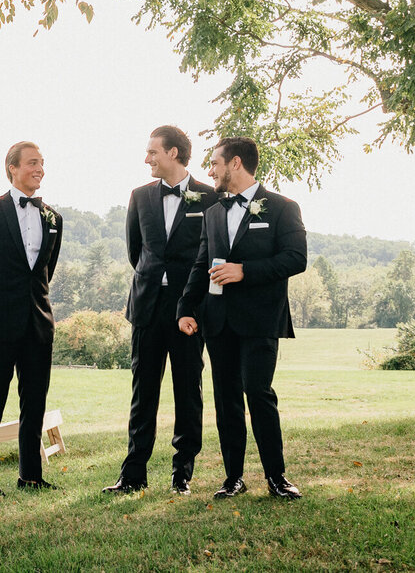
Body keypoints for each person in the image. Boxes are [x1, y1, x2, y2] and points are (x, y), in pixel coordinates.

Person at [176, 135, 307, 501]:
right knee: (226, 399)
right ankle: (233, 478)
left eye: (214, 163)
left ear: (235, 163)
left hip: (261, 320)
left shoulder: (282, 207)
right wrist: (185, 307)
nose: (210, 171)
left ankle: (277, 477)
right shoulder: (213, 213)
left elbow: (296, 258)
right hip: (217, 321)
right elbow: (202, 263)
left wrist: (244, 271)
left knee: (258, 393)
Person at [105, 125, 216, 495]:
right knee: (143, 393)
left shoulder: (210, 197)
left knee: (188, 391)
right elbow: (136, 252)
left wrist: (192, 301)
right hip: (147, 307)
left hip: (189, 310)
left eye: (152, 152)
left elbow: (212, 253)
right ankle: (132, 474)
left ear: (173, 153)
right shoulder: (140, 196)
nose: (147, 159)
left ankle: (182, 473)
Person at [0, 141, 63, 495]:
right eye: (32, 163)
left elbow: (45, 271)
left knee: (34, 402)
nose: (39, 169)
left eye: (42, 163)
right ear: (12, 168)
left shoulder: (53, 218)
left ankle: (31, 476)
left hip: (39, 323)